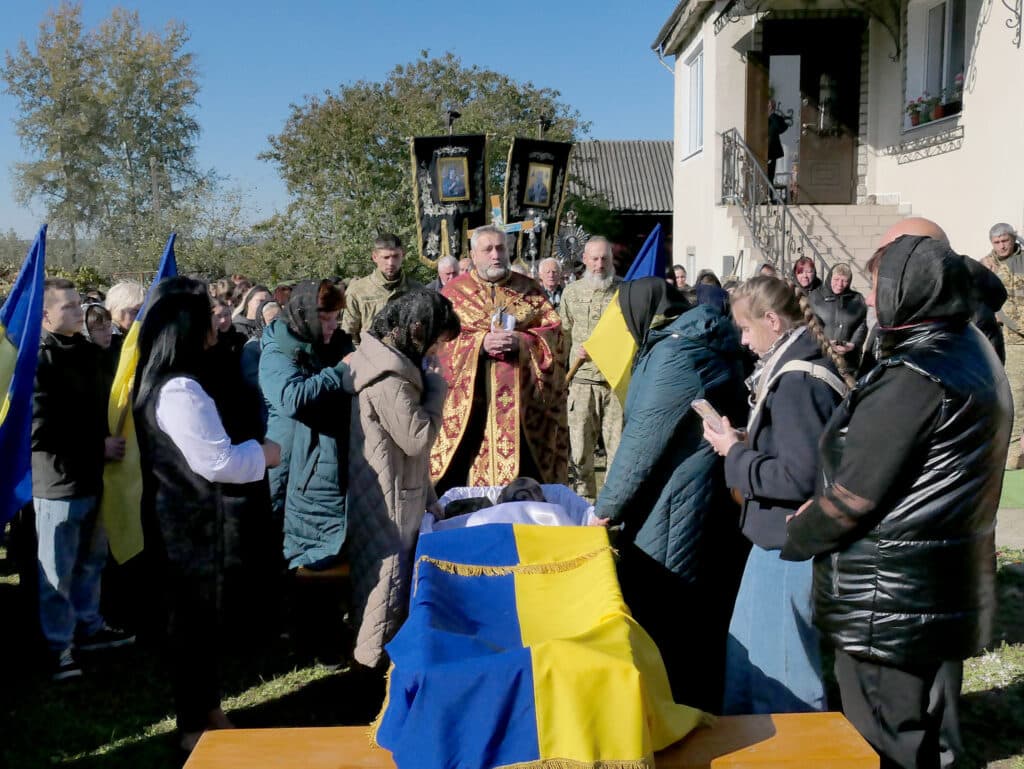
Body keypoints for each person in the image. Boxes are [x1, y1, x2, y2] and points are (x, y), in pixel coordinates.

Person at [782, 234, 1010, 769]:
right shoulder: (968, 349)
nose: (870, 297)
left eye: (878, 285)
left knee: (884, 743)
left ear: (911, 290)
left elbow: (855, 497)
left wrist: (799, 532)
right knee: (916, 734)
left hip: (888, 601)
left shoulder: (917, 374)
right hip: (927, 586)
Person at [132, 278, 280, 753]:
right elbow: (217, 462)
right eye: (206, 317)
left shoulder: (171, 379)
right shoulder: (179, 389)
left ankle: (207, 709)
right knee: (191, 627)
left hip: (184, 520)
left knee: (200, 625)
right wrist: (265, 453)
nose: (216, 324)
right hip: (190, 524)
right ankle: (194, 727)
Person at [592, 277, 749, 711]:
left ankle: (677, 706)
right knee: (695, 605)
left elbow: (644, 439)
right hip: (697, 489)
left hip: (675, 496)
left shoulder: (676, 353)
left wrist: (605, 508)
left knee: (667, 605)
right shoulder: (693, 337)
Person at [702, 276, 850, 715]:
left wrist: (734, 452)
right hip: (777, 541)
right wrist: (748, 440)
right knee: (750, 660)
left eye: (746, 329)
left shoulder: (797, 380)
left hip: (790, 544)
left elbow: (796, 478)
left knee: (784, 676)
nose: (744, 341)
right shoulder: (797, 364)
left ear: (772, 321)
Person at [346, 289, 458, 668]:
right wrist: (439, 389)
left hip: (392, 487)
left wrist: (429, 496)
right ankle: (372, 669)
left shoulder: (389, 361)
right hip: (391, 497)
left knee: (383, 586)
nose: (436, 353)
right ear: (416, 329)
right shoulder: (389, 378)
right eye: (436, 343)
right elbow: (417, 438)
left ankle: (376, 662)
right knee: (388, 587)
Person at [32, 279, 134, 680]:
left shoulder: (88, 353)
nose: (80, 311)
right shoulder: (40, 362)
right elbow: (40, 429)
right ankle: (59, 646)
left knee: (91, 563)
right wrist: (97, 447)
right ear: (45, 316)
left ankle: (88, 627)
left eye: (80, 304)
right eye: (70, 306)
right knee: (56, 570)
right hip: (59, 483)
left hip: (97, 480)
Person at [431, 224, 568, 490]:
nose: (496, 255)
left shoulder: (530, 291)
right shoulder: (453, 295)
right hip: (471, 410)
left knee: (527, 485)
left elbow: (556, 336)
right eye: (488, 249)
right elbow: (437, 344)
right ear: (474, 255)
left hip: (523, 411)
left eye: (501, 248)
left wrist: (523, 341)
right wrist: (480, 343)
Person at [260, 280, 353, 572]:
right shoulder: (277, 350)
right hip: (289, 461)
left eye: (335, 318)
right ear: (306, 316)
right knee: (287, 546)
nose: (332, 326)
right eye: (325, 319)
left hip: (326, 459)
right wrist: (339, 371)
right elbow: (291, 398)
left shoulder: (332, 345)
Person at [560, 237, 622, 500]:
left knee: (617, 453)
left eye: (604, 258)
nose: (599, 265)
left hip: (615, 383)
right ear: (584, 259)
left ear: (611, 260)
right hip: (581, 381)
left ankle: (610, 509)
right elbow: (561, 337)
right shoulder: (571, 293)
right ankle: (583, 505)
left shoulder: (625, 292)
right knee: (579, 453)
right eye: (594, 259)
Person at [983, 222, 1024, 466]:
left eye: (1005, 241)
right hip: (1011, 341)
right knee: (1016, 395)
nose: (1001, 246)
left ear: (1013, 239)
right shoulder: (987, 265)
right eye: (996, 242)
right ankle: (1013, 454)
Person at [342, 233, 422, 345]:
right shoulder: (357, 291)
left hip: (408, 359)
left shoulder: (417, 290)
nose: (391, 263)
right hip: (370, 357)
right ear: (375, 257)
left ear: (403, 254)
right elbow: (349, 335)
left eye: (395, 256)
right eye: (386, 257)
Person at [809, 263, 867, 373]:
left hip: (849, 361)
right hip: (822, 357)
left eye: (844, 281)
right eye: (836, 279)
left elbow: (862, 324)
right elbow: (812, 323)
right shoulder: (816, 296)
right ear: (830, 277)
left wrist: (853, 344)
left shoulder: (857, 299)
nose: (840, 284)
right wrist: (825, 342)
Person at [105, 280, 145, 361]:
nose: (141, 317)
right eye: (135, 312)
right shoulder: (107, 341)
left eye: (144, 311)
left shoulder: (136, 337)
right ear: (113, 310)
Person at [766, 100, 791, 196]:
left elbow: (782, 127)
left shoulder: (775, 118)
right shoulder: (763, 116)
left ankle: (769, 197)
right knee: (765, 173)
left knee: (770, 175)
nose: (769, 107)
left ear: (773, 107)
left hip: (771, 150)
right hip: (762, 148)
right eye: (768, 105)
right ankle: (766, 196)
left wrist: (772, 115)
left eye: (771, 106)